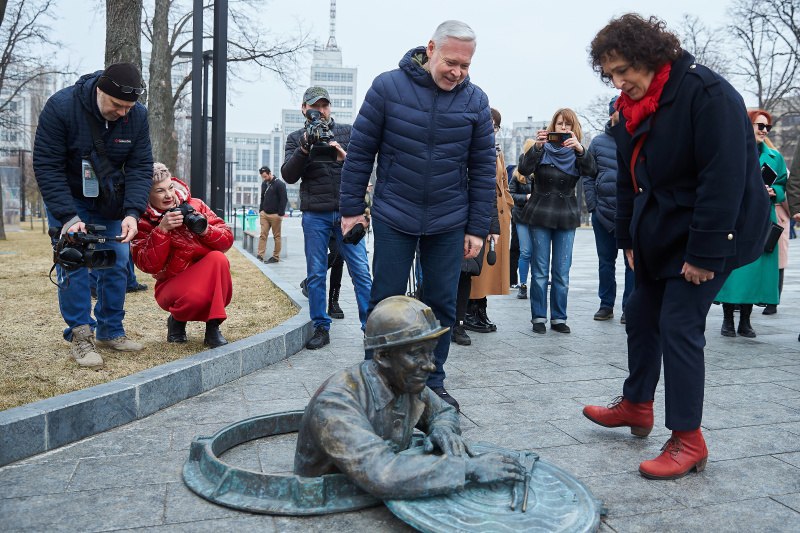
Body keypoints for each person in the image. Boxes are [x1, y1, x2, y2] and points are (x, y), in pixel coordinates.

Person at [581, 14, 771, 481]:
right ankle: (637, 404)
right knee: (641, 313)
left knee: (679, 323)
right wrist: (626, 237)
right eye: (611, 75)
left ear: (650, 56)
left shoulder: (708, 94)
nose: (619, 81)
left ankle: (689, 438)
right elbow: (630, 182)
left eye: (624, 69)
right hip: (661, 231)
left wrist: (705, 255)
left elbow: (724, 180)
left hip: (714, 230)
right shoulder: (629, 109)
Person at [338, 20, 496, 410]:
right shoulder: (387, 87)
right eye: (450, 62)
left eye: (465, 65)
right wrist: (351, 209)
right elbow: (360, 152)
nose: (457, 72)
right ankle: (375, 378)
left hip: (449, 218)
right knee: (385, 301)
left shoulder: (475, 101)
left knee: (441, 304)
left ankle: (431, 382)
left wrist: (477, 228)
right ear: (430, 49)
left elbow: (481, 169)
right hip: (395, 212)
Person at [294, 295, 525, 498]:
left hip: (375, 489)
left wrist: (443, 429)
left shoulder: (402, 378)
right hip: (333, 499)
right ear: (383, 356)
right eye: (416, 354)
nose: (430, 366)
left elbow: (444, 411)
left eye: (430, 352)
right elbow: (381, 473)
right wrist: (466, 468)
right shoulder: (334, 404)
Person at [33, 62, 153, 369]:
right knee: (74, 258)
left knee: (117, 258)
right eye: (117, 105)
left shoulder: (137, 116)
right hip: (69, 197)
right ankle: (80, 336)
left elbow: (140, 166)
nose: (123, 112)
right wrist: (67, 217)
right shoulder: (61, 107)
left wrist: (131, 212)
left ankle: (110, 330)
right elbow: (47, 165)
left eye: (129, 106)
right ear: (100, 89)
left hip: (110, 199)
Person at [281, 86, 372, 350]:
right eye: (314, 106)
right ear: (304, 109)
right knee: (317, 273)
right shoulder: (297, 137)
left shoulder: (347, 132)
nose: (320, 111)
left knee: (361, 272)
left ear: (330, 107)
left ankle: (370, 329)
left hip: (348, 213)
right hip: (315, 214)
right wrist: (305, 148)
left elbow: (365, 167)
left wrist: (344, 155)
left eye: (324, 105)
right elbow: (288, 175)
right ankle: (321, 327)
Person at [131, 163, 233, 347]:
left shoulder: (195, 205)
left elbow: (227, 240)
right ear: (147, 193)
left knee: (218, 259)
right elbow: (147, 265)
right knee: (196, 297)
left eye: (170, 187)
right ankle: (177, 318)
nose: (168, 195)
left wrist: (204, 230)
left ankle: (213, 327)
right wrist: (162, 230)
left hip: (207, 279)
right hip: (171, 284)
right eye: (160, 191)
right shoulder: (143, 221)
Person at [518, 108, 597, 334]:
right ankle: (539, 317)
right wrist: (537, 147)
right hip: (541, 211)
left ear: (574, 129)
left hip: (566, 214)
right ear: (553, 126)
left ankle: (559, 318)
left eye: (568, 125)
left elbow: (592, 171)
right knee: (540, 269)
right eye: (560, 124)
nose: (564, 128)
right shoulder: (542, 150)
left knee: (562, 271)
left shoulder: (577, 152)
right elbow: (523, 169)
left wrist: (581, 150)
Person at [715, 110, 785, 338]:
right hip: (738, 218)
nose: (764, 131)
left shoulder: (776, 157)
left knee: (757, 269)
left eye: (767, 127)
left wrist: (774, 191)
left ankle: (745, 320)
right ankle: (727, 320)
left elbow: (784, 186)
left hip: (764, 218)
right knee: (736, 270)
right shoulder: (731, 152)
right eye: (760, 126)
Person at [582, 96, 634, 324]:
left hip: (630, 213)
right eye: (620, 110)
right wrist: (592, 205)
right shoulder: (598, 142)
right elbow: (588, 175)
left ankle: (629, 307)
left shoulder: (636, 138)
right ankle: (606, 305)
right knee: (606, 262)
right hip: (602, 213)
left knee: (632, 263)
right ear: (612, 113)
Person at [464, 108, 512, 334]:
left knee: (490, 267)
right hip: (482, 213)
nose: (492, 130)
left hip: (500, 216)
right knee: (476, 265)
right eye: (489, 125)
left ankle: (480, 309)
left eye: (495, 127)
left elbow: (503, 182)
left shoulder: (498, 152)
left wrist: (509, 203)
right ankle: (470, 311)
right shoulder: (473, 148)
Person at [508, 140, 535, 301]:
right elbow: (510, 195)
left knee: (539, 253)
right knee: (525, 251)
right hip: (522, 216)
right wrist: (526, 197)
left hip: (539, 217)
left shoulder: (541, 171)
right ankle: (522, 285)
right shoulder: (518, 175)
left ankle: (540, 282)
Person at [257, 166, 287, 264]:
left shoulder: (280, 184)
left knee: (277, 237)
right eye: (262, 177)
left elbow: (284, 199)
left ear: (270, 173)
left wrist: (280, 214)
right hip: (264, 214)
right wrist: (261, 210)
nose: (264, 179)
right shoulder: (264, 184)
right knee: (263, 235)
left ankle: (275, 257)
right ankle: (260, 255)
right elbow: (262, 197)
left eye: (265, 176)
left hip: (275, 215)